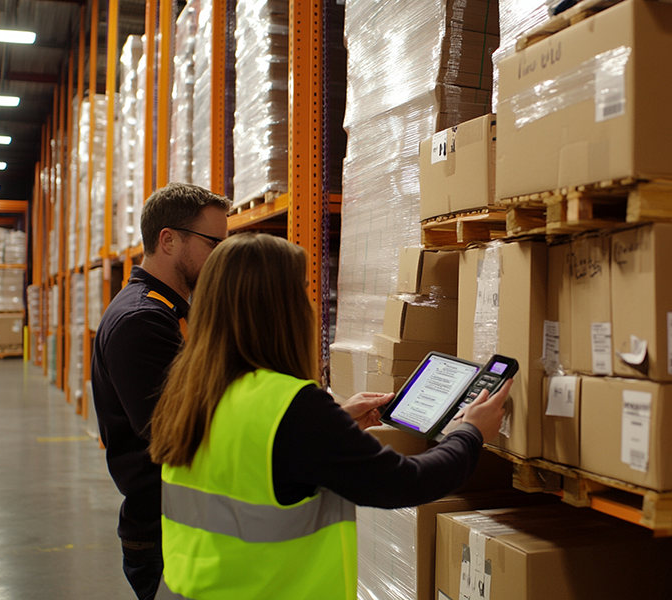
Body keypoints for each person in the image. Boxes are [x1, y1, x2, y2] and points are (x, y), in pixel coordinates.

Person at [148, 233, 510, 600]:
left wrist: (334, 423)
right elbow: (404, 482)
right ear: (281, 310)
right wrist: (470, 432)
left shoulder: (189, 391)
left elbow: (250, 458)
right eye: (302, 291)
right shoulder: (293, 408)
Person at [91, 182, 231, 600]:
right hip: (164, 532)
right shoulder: (142, 321)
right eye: (214, 244)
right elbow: (177, 435)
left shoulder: (165, 312)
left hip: (173, 523)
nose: (222, 258)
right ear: (168, 240)